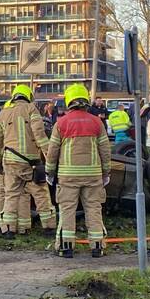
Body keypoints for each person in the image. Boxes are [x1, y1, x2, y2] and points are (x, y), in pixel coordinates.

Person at [46, 84, 111, 258]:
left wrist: (50, 172)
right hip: (93, 175)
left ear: (69, 101)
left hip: (68, 176)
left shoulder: (61, 123)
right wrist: (106, 172)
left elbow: (52, 151)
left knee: (67, 210)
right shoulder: (97, 122)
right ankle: (97, 246)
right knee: (93, 209)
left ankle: (66, 248)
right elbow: (105, 150)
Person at [0, 84, 50, 238]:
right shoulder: (31, 109)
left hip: (9, 160)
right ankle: (49, 228)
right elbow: (40, 135)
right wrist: (50, 158)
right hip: (31, 162)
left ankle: (8, 230)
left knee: (11, 194)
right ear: (29, 97)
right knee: (41, 193)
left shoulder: (3, 113)